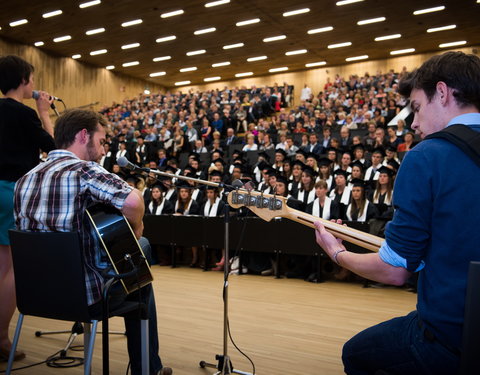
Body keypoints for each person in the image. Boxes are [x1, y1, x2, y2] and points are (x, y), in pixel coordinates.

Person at [314, 51, 480, 375]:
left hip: (448, 338)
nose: (414, 123)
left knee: (356, 355)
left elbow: (394, 271)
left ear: (443, 93)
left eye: (417, 108)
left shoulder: (427, 156)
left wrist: (337, 254)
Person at [13, 109, 172, 375]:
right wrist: (136, 228)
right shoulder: (85, 171)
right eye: (100, 141)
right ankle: (147, 369)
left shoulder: (24, 180)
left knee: (134, 269)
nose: (101, 151)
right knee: (139, 253)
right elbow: (133, 201)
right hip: (84, 297)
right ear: (83, 135)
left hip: (35, 296)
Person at [0, 55, 55, 362]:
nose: (34, 85)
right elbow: (54, 147)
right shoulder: (22, 113)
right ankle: (0, 338)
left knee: (0, 266)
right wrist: (43, 112)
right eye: (32, 79)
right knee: (11, 270)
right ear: (22, 80)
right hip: (11, 190)